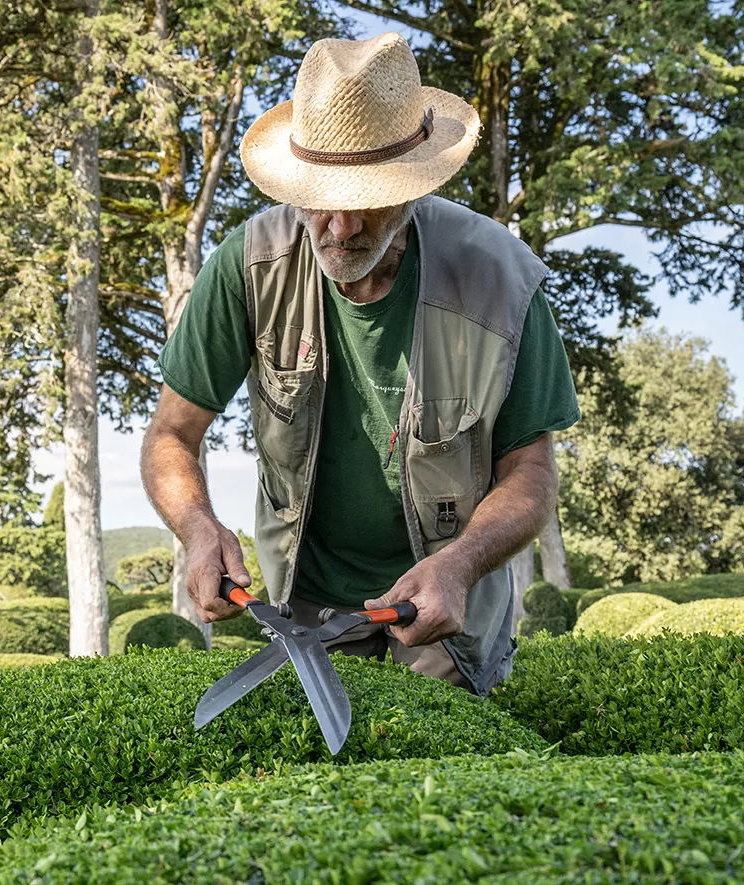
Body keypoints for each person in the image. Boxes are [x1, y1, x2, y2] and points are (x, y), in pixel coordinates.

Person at [140, 33, 579, 696]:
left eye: (366, 197)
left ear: (413, 183)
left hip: (443, 617)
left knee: (437, 776)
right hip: (309, 612)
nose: (340, 227)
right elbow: (171, 434)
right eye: (320, 196)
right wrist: (197, 528)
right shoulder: (249, 266)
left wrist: (459, 565)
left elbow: (531, 475)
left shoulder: (502, 284)